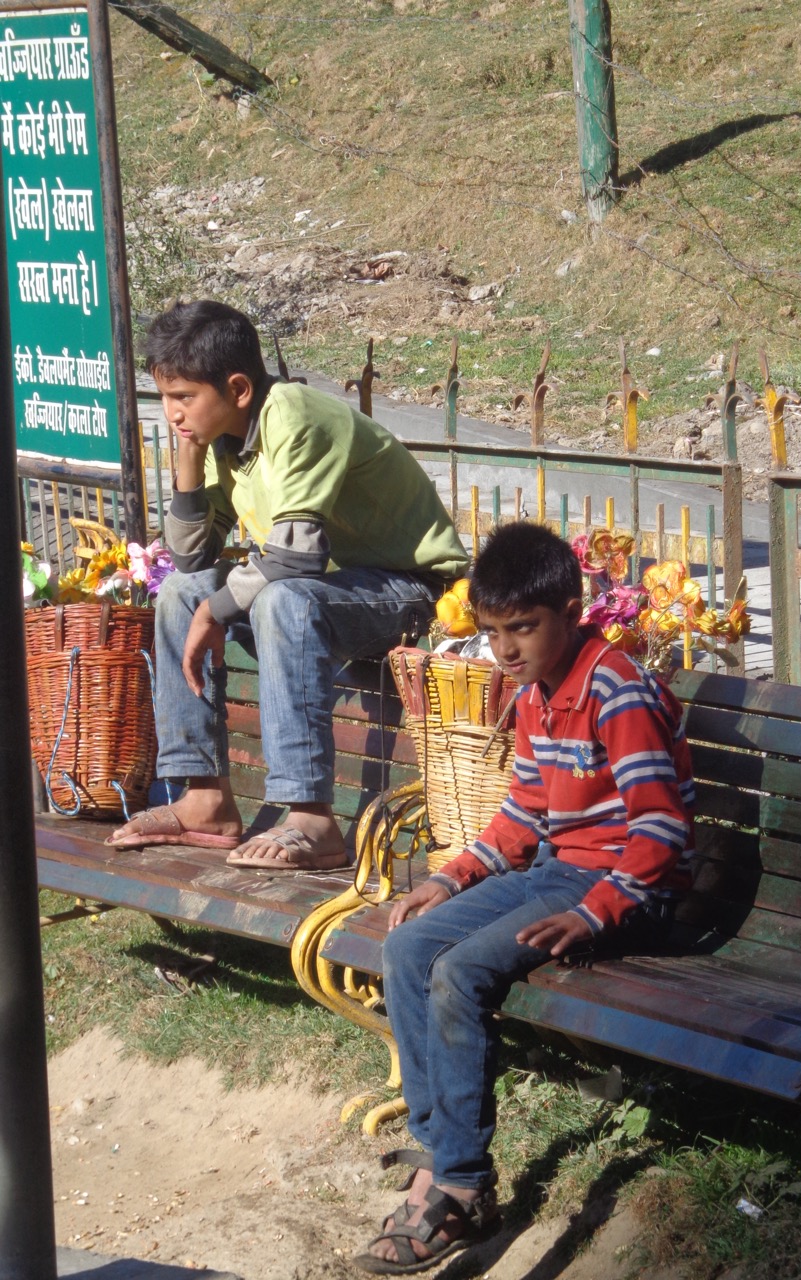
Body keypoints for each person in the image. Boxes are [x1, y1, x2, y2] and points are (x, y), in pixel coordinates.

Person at [355, 521, 694, 1275]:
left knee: (459, 971)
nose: (505, 650)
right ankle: (441, 1153)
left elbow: (661, 827)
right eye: (493, 632)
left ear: (572, 613)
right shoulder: (535, 694)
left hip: (626, 890)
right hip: (559, 872)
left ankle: (463, 1188)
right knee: (408, 945)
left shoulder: (615, 690)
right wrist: (450, 878)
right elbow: (525, 812)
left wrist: (594, 913)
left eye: (523, 629)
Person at [108, 299, 469, 869]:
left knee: (280, 598)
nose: (171, 413)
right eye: (165, 397)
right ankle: (205, 800)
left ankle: (311, 817)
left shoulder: (297, 418)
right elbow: (190, 557)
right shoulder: (219, 436)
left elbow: (298, 556)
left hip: (412, 590)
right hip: (322, 595)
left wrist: (215, 611)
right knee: (180, 592)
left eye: (183, 397)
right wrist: (188, 456)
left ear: (238, 389)